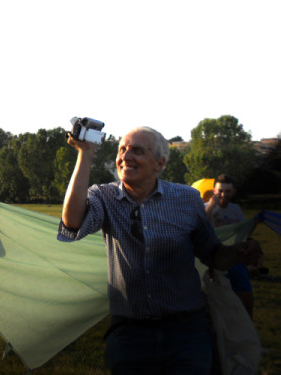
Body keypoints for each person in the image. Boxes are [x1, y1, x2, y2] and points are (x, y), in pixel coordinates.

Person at [57, 126, 260, 374]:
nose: (126, 156)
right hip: (130, 334)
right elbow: (72, 221)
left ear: (159, 163)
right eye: (122, 150)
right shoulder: (104, 196)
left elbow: (213, 254)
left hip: (186, 332)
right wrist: (85, 154)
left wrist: (237, 252)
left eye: (138, 151)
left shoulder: (187, 199)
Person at [205, 174, 263, 318]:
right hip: (212, 258)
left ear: (234, 192)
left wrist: (253, 224)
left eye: (227, 191)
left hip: (234, 257)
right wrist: (211, 206)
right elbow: (200, 227)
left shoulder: (235, 209)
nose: (223, 194)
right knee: (216, 298)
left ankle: (247, 324)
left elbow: (242, 232)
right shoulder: (205, 207)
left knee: (244, 294)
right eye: (220, 190)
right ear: (214, 190)